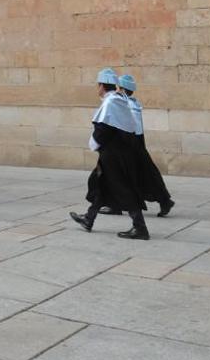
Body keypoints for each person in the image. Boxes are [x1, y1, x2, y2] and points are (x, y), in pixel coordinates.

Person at [71, 68, 149, 240]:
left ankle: (140, 227)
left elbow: (103, 129)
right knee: (101, 184)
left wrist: (93, 143)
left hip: (113, 156)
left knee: (123, 189)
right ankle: (88, 219)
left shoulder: (111, 103)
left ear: (102, 86)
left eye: (98, 85)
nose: (97, 88)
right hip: (117, 154)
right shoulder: (119, 100)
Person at [120, 73, 173, 217]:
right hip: (135, 144)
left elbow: (133, 128)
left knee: (146, 175)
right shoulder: (133, 103)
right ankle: (115, 205)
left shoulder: (130, 105)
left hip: (133, 145)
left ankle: (165, 200)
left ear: (123, 89)